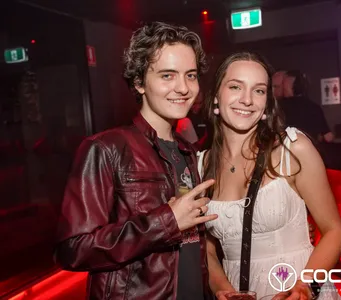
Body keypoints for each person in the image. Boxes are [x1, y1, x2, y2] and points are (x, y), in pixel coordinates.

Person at [54, 22, 218, 300]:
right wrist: (165, 222)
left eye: (190, 75)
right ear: (140, 82)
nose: (183, 88)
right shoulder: (106, 149)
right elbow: (73, 249)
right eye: (168, 76)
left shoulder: (188, 151)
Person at [197, 52, 341, 299]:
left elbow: (334, 231)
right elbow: (208, 250)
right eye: (235, 86)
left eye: (258, 90)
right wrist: (222, 289)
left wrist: (305, 287)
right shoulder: (200, 166)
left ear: (267, 103)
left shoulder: (292, 149)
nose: (246, 99)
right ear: (215, 96)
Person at [280, 70, 334, 143]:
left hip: (287, 151)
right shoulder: (314, 108)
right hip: (310, 151)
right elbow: (328, 137)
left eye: (283, 84)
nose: (282, 87)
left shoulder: (280, 107)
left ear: (290, 86)